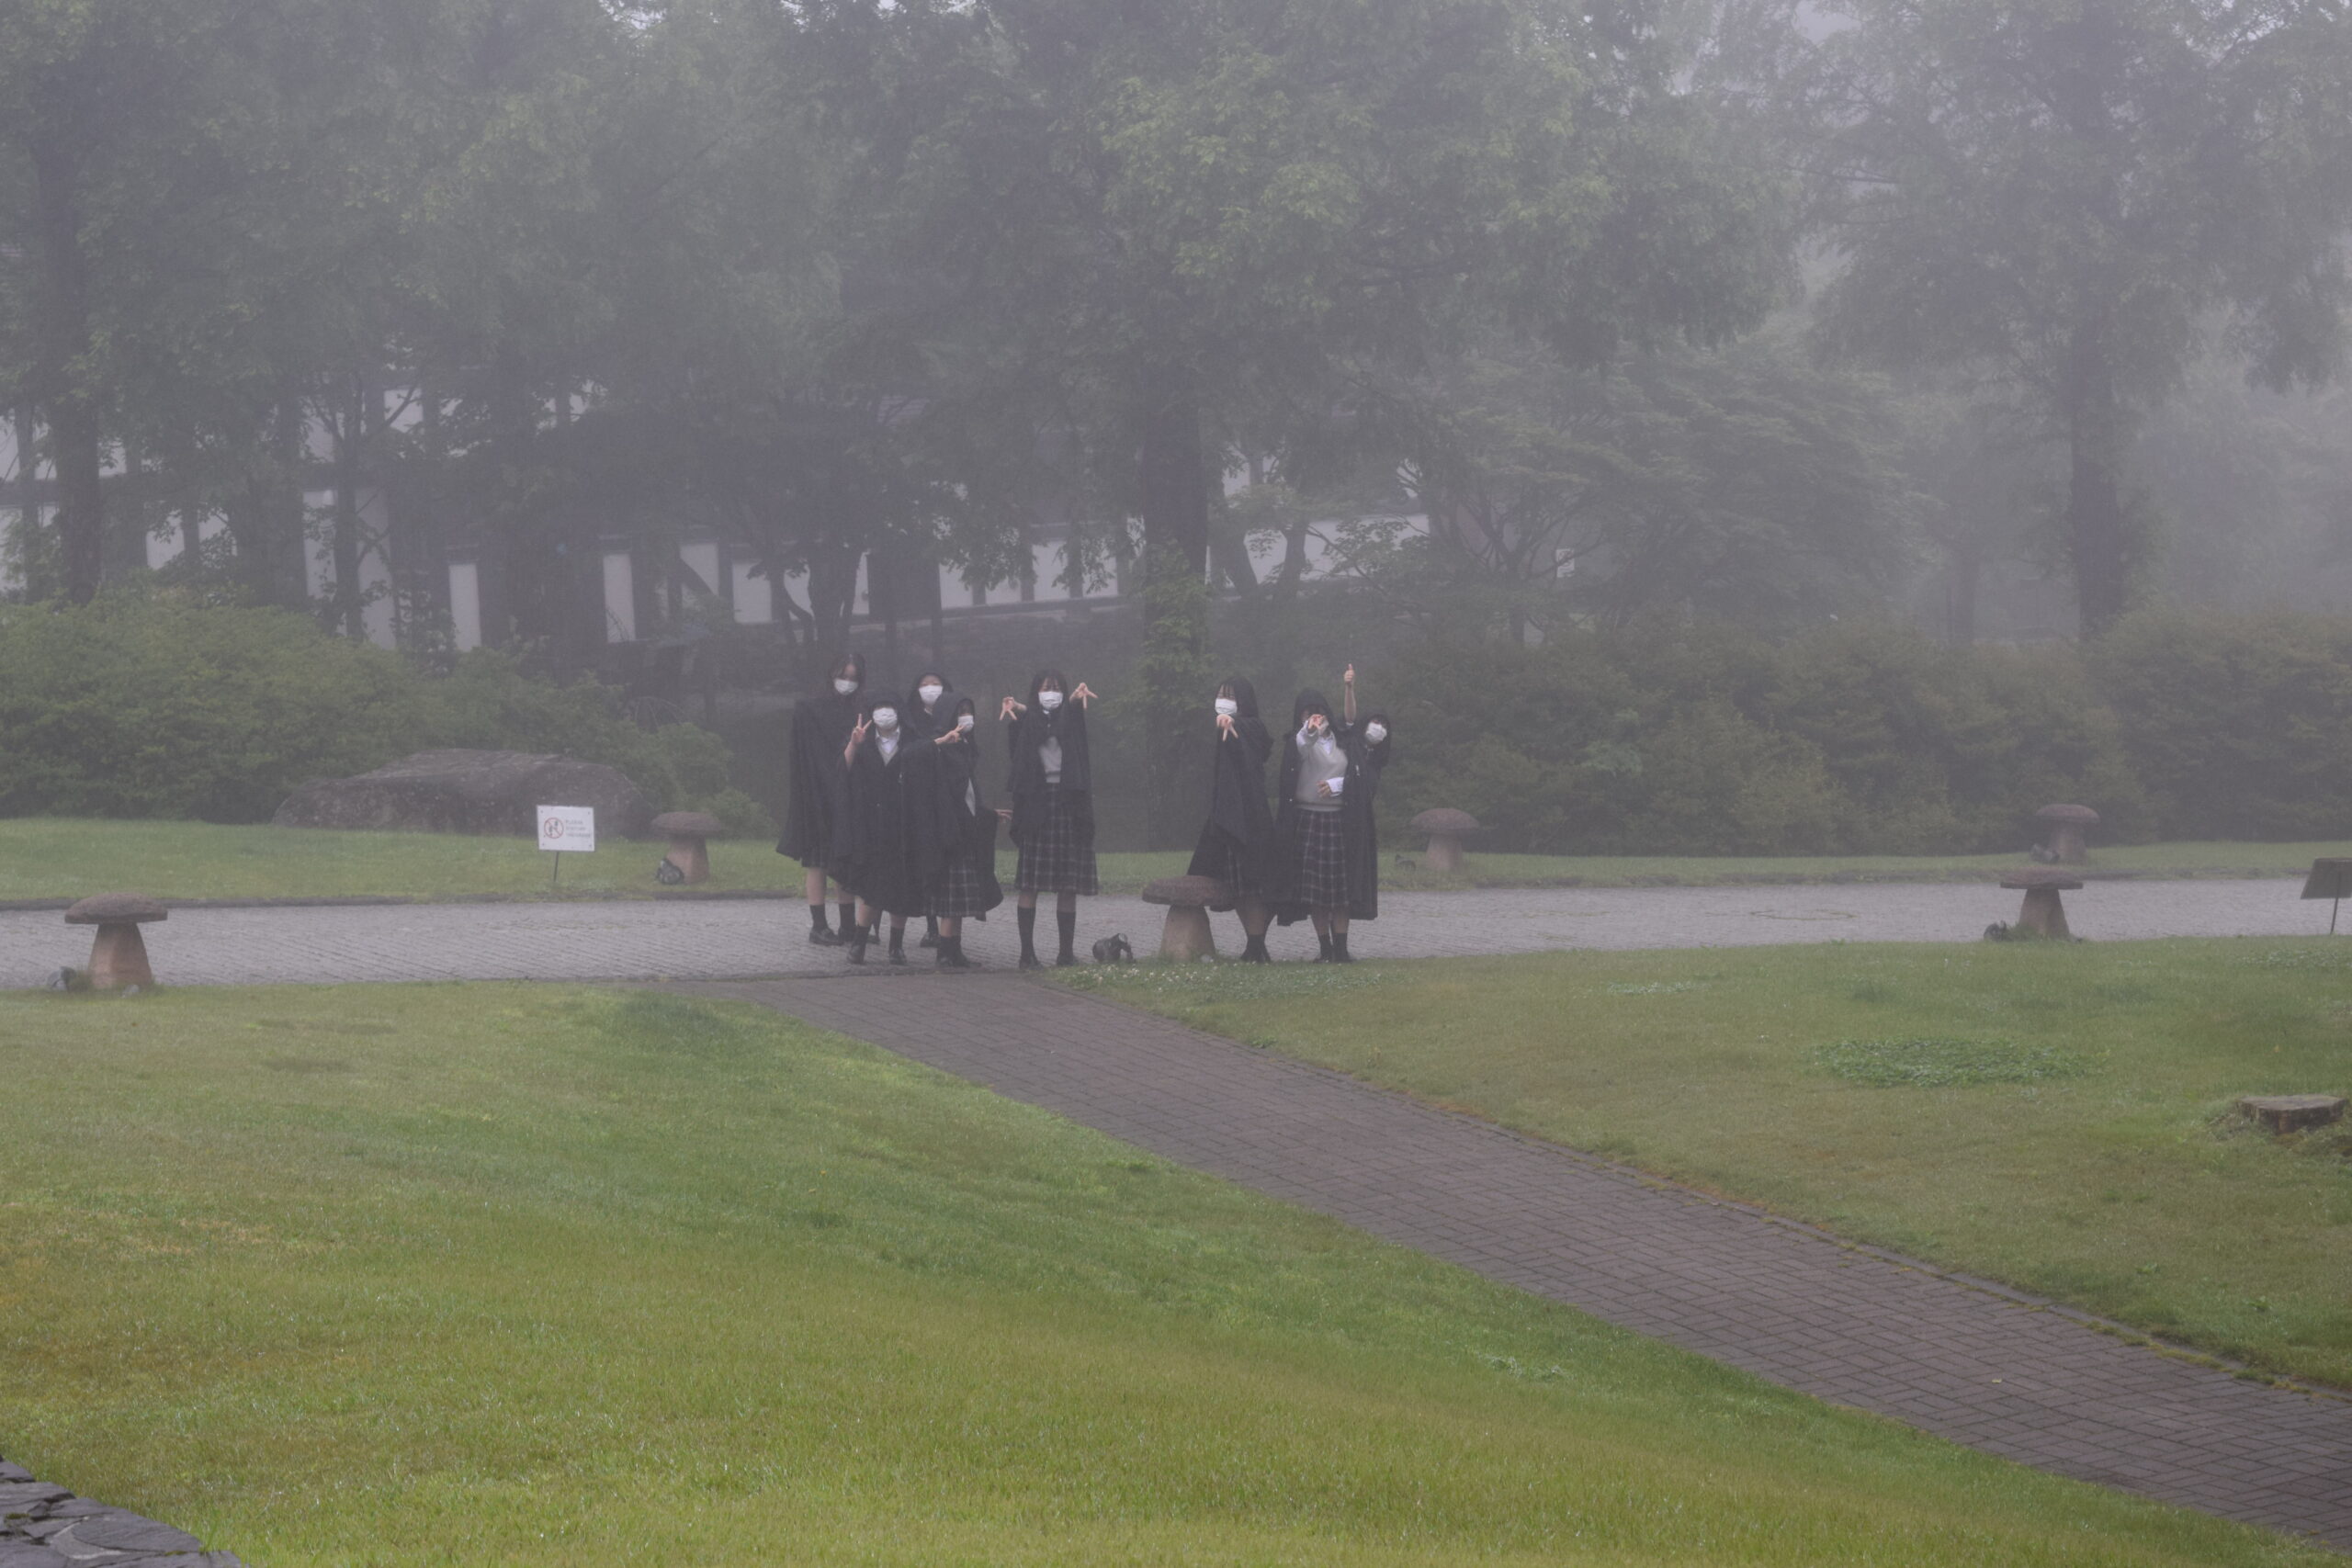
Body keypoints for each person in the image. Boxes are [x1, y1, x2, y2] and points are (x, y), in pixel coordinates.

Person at [1271, 664, 1393, 962]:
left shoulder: (1343, 741)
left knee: (1340, 890)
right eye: (1308, 713)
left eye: (1319, 712)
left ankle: (1341, 948)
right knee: (1316, 893)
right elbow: (1301, 747)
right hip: (1309, 820)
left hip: (1339, 820)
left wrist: (1349, 688)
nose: (1315, 717)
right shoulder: (1298, 741)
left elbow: (1351, 724)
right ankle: (1324, 948)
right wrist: (1309, 731)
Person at [999, 669, 1101, 969]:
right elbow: (1036, 726)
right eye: (1046, 688)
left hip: (1068, 804)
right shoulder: (1025, 722)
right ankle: (1026, 954)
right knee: (1030, 884)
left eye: (1056, 688)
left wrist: (1075, 699)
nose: (1051, 693)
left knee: (1068, 885)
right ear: (1036, 692)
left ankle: (1065, 954)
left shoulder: (1071, 719)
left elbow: (1062, 720)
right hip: (1037, 806)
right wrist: (1018, 707)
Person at [775, 651, 865, 945]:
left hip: (850, 795)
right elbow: (803, 757)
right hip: (817, 795)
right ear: (831, 675)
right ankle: (819, 926)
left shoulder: (860, 710)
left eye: (853, 678)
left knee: (844, 860)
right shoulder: (810, 710)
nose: (847, 682)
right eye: (843, 676)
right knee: (818, 862)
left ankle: (849, 927)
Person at [1184, 675, 1277, 963]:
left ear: (1243, 700)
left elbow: (1249, 744)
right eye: (1221, 694)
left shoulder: (1252, 727)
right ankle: (1254, 944)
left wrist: (1231, 725)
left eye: (1230, 696)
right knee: (1236, 886)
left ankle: (1257, 944)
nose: (1223, 701)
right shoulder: (1222, 730)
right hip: (1225, 815)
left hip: (1251, 816)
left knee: (1254, 884)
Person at [909, 694, 1003, 969]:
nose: (965, 716)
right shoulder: (936, 746)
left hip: (967, 830)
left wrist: (987, 814)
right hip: (948, 833)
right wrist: (940, 742)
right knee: (951, 899)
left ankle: (955, 951)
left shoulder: (965, 748)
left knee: (961, 900)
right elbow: (911, 758)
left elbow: (968, 794)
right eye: (960, 711)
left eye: (968, 711)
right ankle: (944, 952)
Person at [835, 694, 929, 964]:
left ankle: (896, 946)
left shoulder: (913, 740)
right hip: (870, 824)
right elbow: (842, 771)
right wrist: (854, 744)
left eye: (889, 708)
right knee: (872, 887)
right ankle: (859, 943)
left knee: (902, 887)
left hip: (904, 824)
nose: (884, 713)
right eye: (878, 708)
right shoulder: (862, 740)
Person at [901, 668, 959, 949]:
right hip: (920, 797)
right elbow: (907, 754)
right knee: (924, 862)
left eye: (936, 683)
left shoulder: (955, 717)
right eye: (925, 684)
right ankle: (931, 925)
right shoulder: (910, 720)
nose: (931, 688)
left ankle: (949, 927)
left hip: (950, 793)